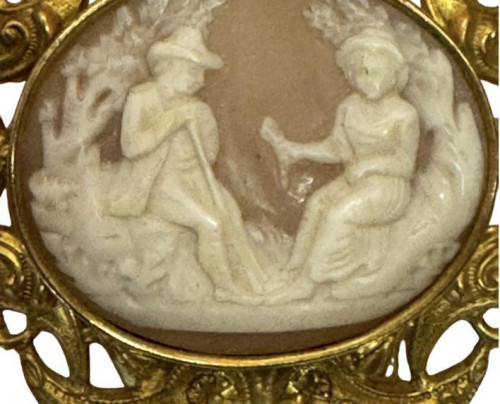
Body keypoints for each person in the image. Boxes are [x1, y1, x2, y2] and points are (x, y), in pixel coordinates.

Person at [110, 26, 267, 302]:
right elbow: (131, 147)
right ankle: (225, 288)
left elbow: (210, 155)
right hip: (158, 183)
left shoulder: (198, 108)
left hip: (193, 178)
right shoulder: (143, 97)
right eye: (194, 72)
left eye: (202, 74)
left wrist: (204, 126)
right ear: (170, 66)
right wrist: (173, 120)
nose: (200, 81)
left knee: (230, 214)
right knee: (210, 224)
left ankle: (255, 281)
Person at [261, 27, 420, 297]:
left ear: (394, 73)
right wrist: (295, 150)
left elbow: (405, 165)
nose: (364, 79)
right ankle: (293, 270)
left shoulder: (405, 116)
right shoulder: (349, 107)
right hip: (353, 181)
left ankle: (311, 281)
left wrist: (369, 166)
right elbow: (337, 149)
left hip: (388, 188)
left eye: (373, 72)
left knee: (338, 214)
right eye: (358, 72)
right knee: (316, 204)